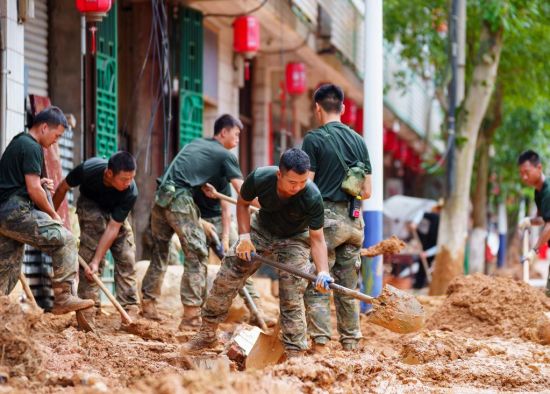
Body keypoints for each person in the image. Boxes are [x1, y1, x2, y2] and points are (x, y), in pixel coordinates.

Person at [182, 148, 333, 358]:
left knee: (292, 292)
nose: (297, 187)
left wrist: (323, 271)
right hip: (262, 228)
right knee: (229, 273)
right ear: (279, 174)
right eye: (292, 182)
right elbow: (243, 204)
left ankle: (294, 353)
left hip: (295, 238)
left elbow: (317, 238)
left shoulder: (312, 196)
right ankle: (207, 332)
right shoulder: (261, 177)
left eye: (302, 182)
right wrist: (244, 239)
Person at [141, 114, 248, 329]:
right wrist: (264, 204)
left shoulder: (198, 144)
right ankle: (191, 316)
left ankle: (147, 304)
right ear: (223, 132)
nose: (237, 141)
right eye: (236, 135)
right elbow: (243, 191)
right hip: (179, 199)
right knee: (197, 253)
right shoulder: (224, 155)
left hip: (161, 195)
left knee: (160, 252)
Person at [0, 106, 94, 314]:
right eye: (57, 135)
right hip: (15, 212)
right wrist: (54, 215)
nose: (56, 141)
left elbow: (20, 183)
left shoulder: (19, 142)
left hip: (4, 214)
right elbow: (34, 190)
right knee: (66, 239)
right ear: (44, 127)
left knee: (8, 268)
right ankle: (64, 297)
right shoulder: (32, 147)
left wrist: (39, 181)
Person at [301, 84, 371, 352]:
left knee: (319, 281)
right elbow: (367, 191)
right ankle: (351, 345)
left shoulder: (314, 139)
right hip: (355, 222)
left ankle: (320, 346)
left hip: (326, 223)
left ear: (317, 108)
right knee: (347, 288)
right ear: (342, 108)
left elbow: (306, 187)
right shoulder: (360, 141)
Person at [53, 151, 140, 324]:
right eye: (124, 178)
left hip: (114, 212)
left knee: (126, 255)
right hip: (91, 204)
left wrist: (97, 259)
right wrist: (51, 214)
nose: (128, 183)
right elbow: (63, 188)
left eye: (132, 178)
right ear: (109, 173)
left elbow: (114, 227)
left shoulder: (131, 191)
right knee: (90, 255)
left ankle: (130, 309)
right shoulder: (88, 170)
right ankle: (88, 311)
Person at [193, 185, 274, 328]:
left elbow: (226, 210)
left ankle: (257, 312)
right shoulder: (188, 176)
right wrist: (201, 223)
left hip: (222, 221)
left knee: (241, 264)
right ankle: (195, 315)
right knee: (197, 267)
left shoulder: (221, 172)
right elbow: (185, 209)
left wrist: (225, 237)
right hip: (195, 222)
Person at [517, 150, 550, 297]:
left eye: (527, 172)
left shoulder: (548, 191)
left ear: (539, 168)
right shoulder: (539, 192)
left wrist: (534, 250)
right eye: (521, 173)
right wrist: (529, 221)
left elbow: (549, 226)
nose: (524, 177)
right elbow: (542, 219)